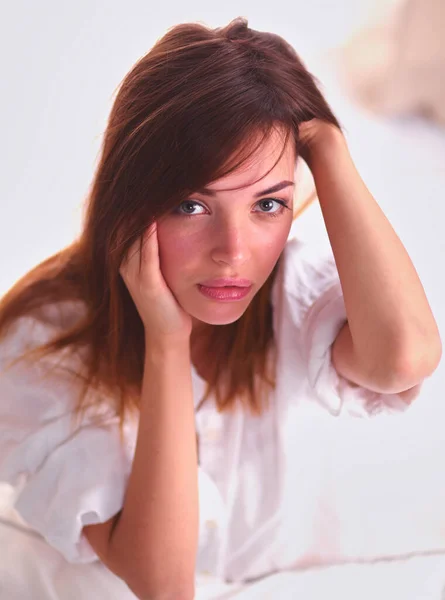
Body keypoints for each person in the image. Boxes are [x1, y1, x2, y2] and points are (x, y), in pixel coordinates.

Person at [0, 16, 441, 600]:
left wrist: (327, 144)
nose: (235, 254)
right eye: (191, 205)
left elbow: (404, 358)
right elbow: (163, 585)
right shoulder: (44, 345)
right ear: (131, 201)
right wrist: (166, 341)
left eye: (268, 204)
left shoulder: (289, 285)